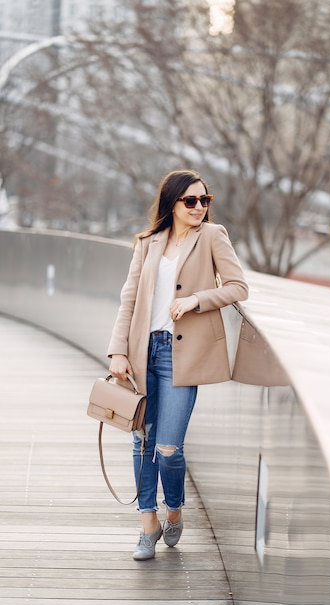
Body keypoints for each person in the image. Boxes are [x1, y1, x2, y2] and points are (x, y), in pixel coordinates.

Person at [107, 169, 249, 560]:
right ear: (172, 203)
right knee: (141, 441)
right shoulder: (148, 243)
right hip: (141, 354)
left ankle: (175, 507)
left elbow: (239, 287)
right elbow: (129, 301)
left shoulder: (212, 237)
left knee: (168, 447)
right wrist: (118, 351)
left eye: (205, 200)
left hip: (179, 355)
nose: (200, 207)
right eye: (191, 201)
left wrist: (196, 300)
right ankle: (147, 523)